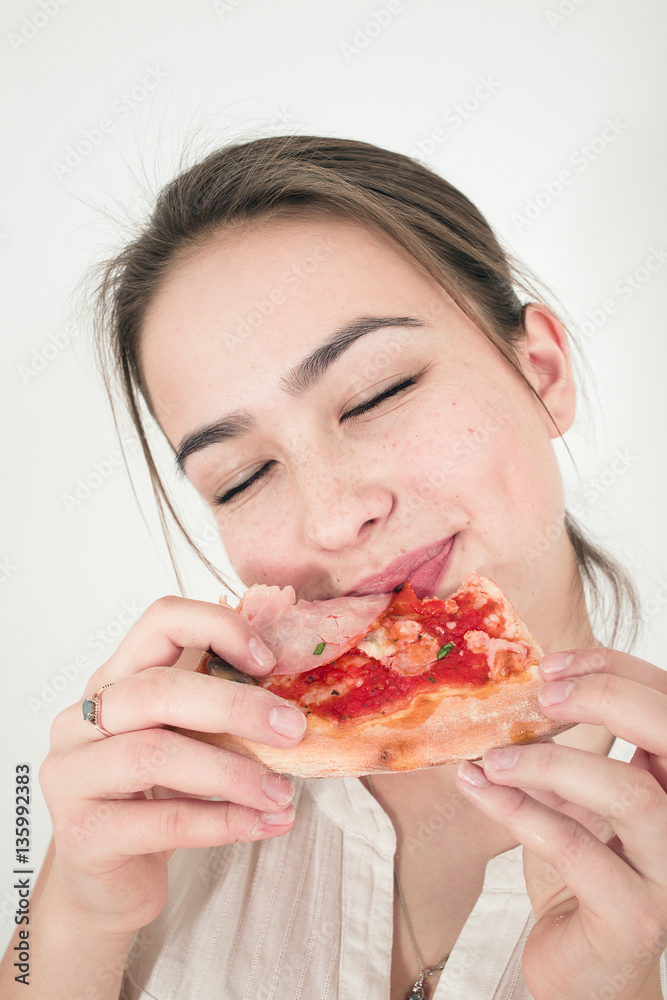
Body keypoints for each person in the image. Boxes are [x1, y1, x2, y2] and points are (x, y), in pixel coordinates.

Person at [1, 134, 665, 1000]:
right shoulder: (163, 798)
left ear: (538, 369)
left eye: (378, 392)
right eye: (241, 477)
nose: (334, 515)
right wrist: (64, 923)